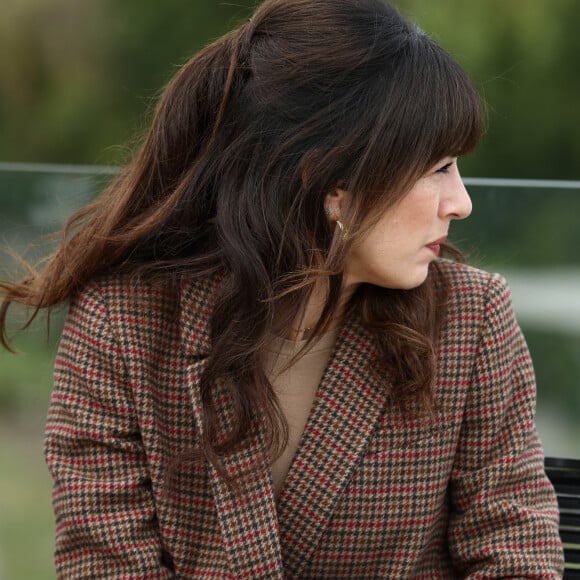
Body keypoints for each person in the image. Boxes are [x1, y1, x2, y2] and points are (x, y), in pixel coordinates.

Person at [0, 0, 565, 577]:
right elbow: (106, 566)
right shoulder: (123, 325)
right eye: (439, 168)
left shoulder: (470, 320)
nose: (462, 203)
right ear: (332, 183)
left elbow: (516, 551)